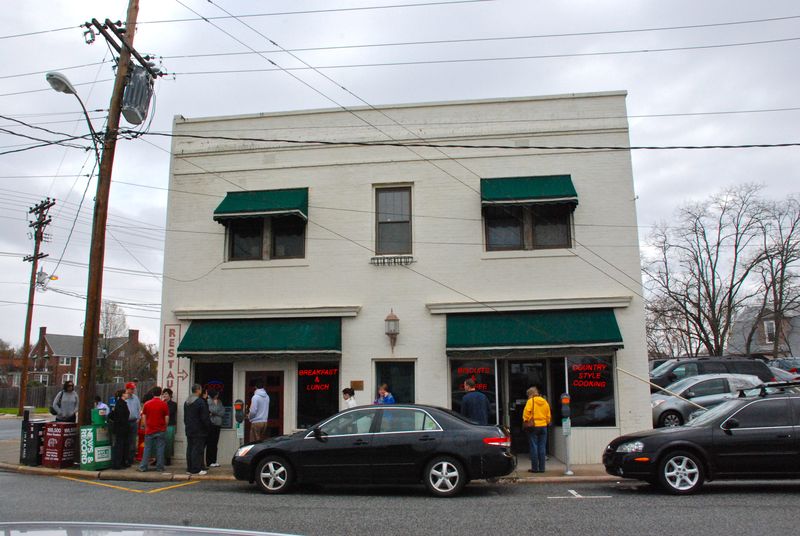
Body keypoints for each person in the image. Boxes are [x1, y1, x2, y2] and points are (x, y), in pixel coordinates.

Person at [138, 386, 169, 473]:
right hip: (161, 429)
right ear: (161, 393)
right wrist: (164, 427)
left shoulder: (147, 404)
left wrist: (145, 426)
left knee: (147, 448)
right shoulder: (164, 404)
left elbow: (143, 417)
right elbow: (166, 418)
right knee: (160, 448)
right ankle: (160, 467)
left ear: (152, 393)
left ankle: (143, 467)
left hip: (149, 429)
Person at [522, 385, 551, 473]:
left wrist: (526, 420)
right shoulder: (544, 401)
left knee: (534, 447)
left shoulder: (530, 401)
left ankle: (535, 468)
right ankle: (542, 468)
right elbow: (548, 415)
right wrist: (546, 422)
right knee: (542, 447)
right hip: (543, 426)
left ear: (530, 394)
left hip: (533, 427)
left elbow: (526, 414)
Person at [184, 384, 210, 475]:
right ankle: (196, 469)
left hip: (189, 428)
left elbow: (185, 417)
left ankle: (189, 468)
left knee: (190, 448)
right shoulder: (200, 402)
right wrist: (207, 426)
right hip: (199, 429)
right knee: (197, 449)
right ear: (198, 390)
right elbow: (204, 417)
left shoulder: (187, 401)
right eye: (200, 389)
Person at [107, 389, 130, 470]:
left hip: (121, 428)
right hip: (121, 428)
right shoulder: (120, 404)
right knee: (119, 446)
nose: (127, 394)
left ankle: (121, 462)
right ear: (123, 394)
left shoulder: (120, 403)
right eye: (126, 393)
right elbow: (121, 417)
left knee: (122, 445)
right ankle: (117, 463)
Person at [206, 389, 224, 468]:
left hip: (218, 424)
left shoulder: (219, 401)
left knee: (215, 443)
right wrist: (216, 411)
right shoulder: (208, 401)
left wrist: (214, 413)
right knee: (210, 443)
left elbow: (223, 412)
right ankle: (209, 461)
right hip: (211, 424)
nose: (217, 396)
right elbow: (211, 410)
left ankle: (214, 461)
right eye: (216, 394)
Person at [124, 382, 141, 467]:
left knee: (133, 441)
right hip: (126, 422)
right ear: (127, 389)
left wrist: (138, 418)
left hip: (134, 422)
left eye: (133, 389)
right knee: (126, 440)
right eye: (131, 389)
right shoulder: (124, 398)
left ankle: (131, 458)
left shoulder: (136, 398)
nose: (133, 390)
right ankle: (125, 458)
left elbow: (139, 409)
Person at [163, 388, 178, 465]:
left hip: (170, 425)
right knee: (160, 442)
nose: (164, 395)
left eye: (166, 394)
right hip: (161, 425)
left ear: (170, 395)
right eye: (163, 394)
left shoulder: (173, 404)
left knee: (169, 442)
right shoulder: (161, 403)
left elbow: (169, 412)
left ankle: (168, 459)